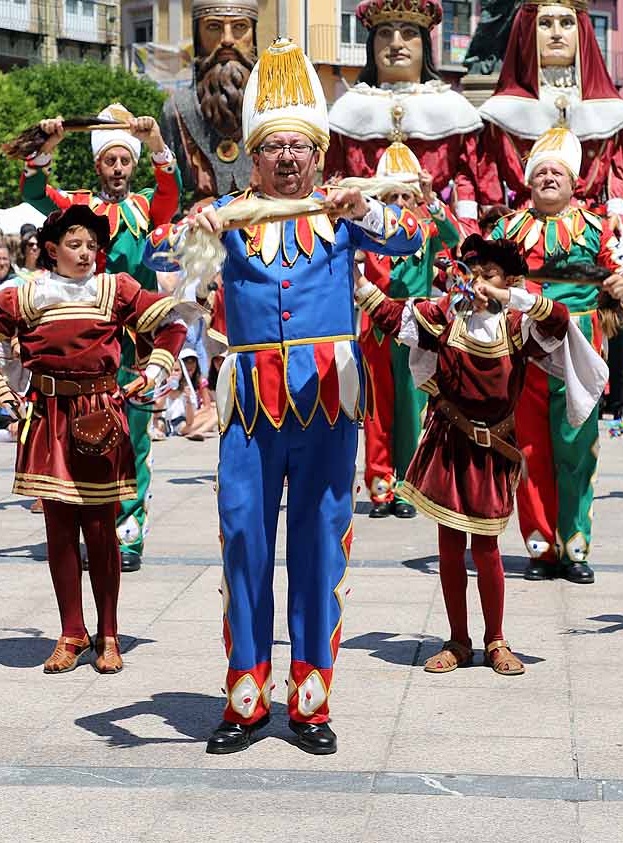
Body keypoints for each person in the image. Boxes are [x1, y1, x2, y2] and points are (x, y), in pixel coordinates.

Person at [148, 37, 425, 757]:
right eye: (276, 148)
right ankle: (244, 697)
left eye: (301, 146)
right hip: (247, 406)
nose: (289, 159)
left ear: (319, 151)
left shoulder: (342, 210)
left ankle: (309, 698)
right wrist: (194, 234)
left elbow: (410, 242)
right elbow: (180, 281)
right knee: (242, 539)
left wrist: (364, 207)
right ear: (256, 153)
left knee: (319, 546)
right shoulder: (228, 213)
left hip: (329, 401)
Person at [0, 204, 189, 675]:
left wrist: (151, 372)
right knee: (58, 531)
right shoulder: (27, 295)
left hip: (100, 417)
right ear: (51, 250)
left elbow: (172, 324)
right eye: (75, 244)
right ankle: (71, 633)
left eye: (92, 245)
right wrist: (1, 394)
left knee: (100, 530)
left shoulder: (116, 288)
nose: (86, 253)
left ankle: (108, 633)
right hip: (47, 417)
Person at [357, 235, 599, 677]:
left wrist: (509, 297)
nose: (477, 283)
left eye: (488, 275)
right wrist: (355, 280)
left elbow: (559, 321)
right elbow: (393, 317)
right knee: (449, 546)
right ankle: (457, 641)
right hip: (450, 444)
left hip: (493, 451)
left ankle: (496, 640)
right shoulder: (445, 317)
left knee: (486, 547)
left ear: (509, 281)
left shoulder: (516, 326)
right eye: (473, 274)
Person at [22, 104, 180, 572]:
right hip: (89, 340)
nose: (117, 169)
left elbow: (172, 189)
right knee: (87, 438)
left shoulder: (147, 206)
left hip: (137, 342)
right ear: (97, 165)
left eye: (124, 161)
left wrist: (154, 144)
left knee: (132, 441)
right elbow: (33, 190)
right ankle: (95, 528)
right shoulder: (80, 207)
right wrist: (46, 146)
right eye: (109, 161)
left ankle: (127, 538)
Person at [488, 123, 623, 582]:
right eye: (541, 173)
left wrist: (622, 286)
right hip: (525, 349)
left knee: (577, 450)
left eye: (557, 173)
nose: (549, 179)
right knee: (529, 449)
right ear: (529, 181)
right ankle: (540, 548)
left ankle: (575, 547)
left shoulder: (598, 228)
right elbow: (482, 275)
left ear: (574, 182)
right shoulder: (507, 228)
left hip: (580, 353)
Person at [354, 152, 464, 519]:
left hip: (414, 325)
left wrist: (432, 199)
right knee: (377, 410)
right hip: (375, 326)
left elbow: (455, 237)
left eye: (406, 196)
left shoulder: (427, 229)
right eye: (391, 197)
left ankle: (407, 488)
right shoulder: (367, 228)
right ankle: (380, 488)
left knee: (412, 409)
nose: (399, 203)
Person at [479, 0, 623, 220]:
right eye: (545, 24)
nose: (556, 34)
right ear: (528, 31)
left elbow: (617, 176)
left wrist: (617, 215)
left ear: (581, 33)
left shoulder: (610, 112)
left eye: (566, 24)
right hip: (524, 222)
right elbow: (488, 179)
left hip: (592, 223)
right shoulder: (501, 111)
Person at [326, 0, 488, 218]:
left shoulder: (455, 110)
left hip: (435, 233)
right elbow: (335, 182)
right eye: (384, 33)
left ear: (424, 45)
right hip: (362, 234)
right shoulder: (346, 111)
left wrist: (465, 231)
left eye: (409, 33)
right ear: (371, 46)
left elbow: (465, 183)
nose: (395, 43)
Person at [161, 0, 260, 198]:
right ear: (198, 35)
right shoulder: (175, 110)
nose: (227, 39)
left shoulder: (274, 104)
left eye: (239, 27)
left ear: (253, 37)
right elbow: (169, 191)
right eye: (214, 27)